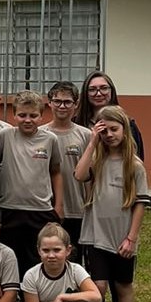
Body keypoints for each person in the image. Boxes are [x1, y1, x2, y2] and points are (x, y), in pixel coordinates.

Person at [75, 105, 149, 302]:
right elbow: (79, 174)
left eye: (114, 129)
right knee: (98, 286)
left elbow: (140, 203)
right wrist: (92, 141)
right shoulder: (97, 160)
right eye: (103, 130)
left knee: (123, 285)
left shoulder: (135, 166)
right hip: (96, 235)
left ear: (124, 130)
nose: (109, 135)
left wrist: (131, 237)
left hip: (122, 238)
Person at [0, 90, 63, 275]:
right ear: (14, 115)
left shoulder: (50, 139)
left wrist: (58, 206)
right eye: (22, 115)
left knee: (37, 258)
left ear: (41, 116)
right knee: (10, 259)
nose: (28, 120)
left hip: (40, 210)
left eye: (33, 115)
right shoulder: (5, 136)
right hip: (9, 209)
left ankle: (35, 298)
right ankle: (12, 298)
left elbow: (56, 172)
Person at [45, 81, 92, 253]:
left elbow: (91, 174)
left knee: (74, 259)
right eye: (57, 101)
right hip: (47, 209)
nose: (62, 106)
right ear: (49, 103)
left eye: (67, 102)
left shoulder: (86, 135)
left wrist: (89, 204)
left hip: (78, 209)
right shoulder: (41, 134)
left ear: (76, 104)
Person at [77, 71, 145, 159]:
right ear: (85, 93)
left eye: (104, 88)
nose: (98, 93)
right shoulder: (77, 123)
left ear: (111, 90)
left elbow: (138, 157)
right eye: (92, 89)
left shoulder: (128, 124)